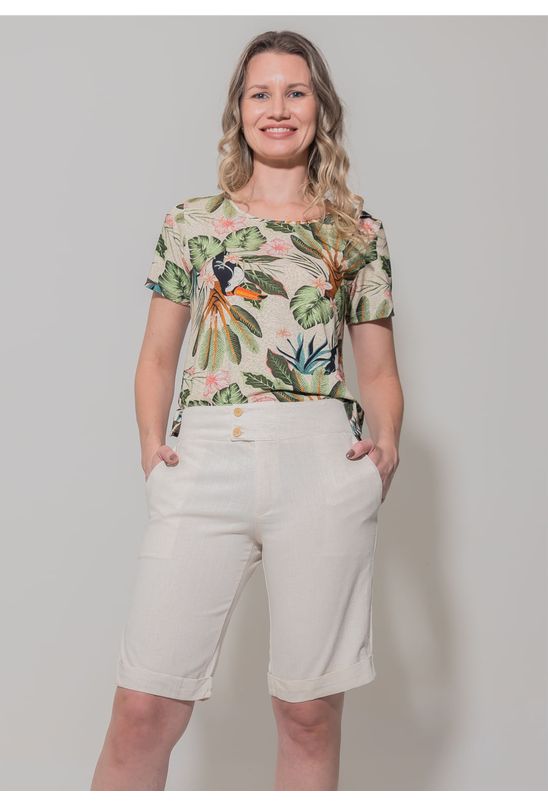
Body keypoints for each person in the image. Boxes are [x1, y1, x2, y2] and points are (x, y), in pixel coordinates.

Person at [91, 29, 403, 791]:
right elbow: (158, 355)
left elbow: (377, 366)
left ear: (320, 109)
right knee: (143, 708)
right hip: (207, 456)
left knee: (307, 711)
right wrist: (152, 449)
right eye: (261, 93)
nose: (278, 108)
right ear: (239, 109)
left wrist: (386, 445)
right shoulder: (192, 222)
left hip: (320, 463)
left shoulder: (357, 230)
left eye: (296, 92)